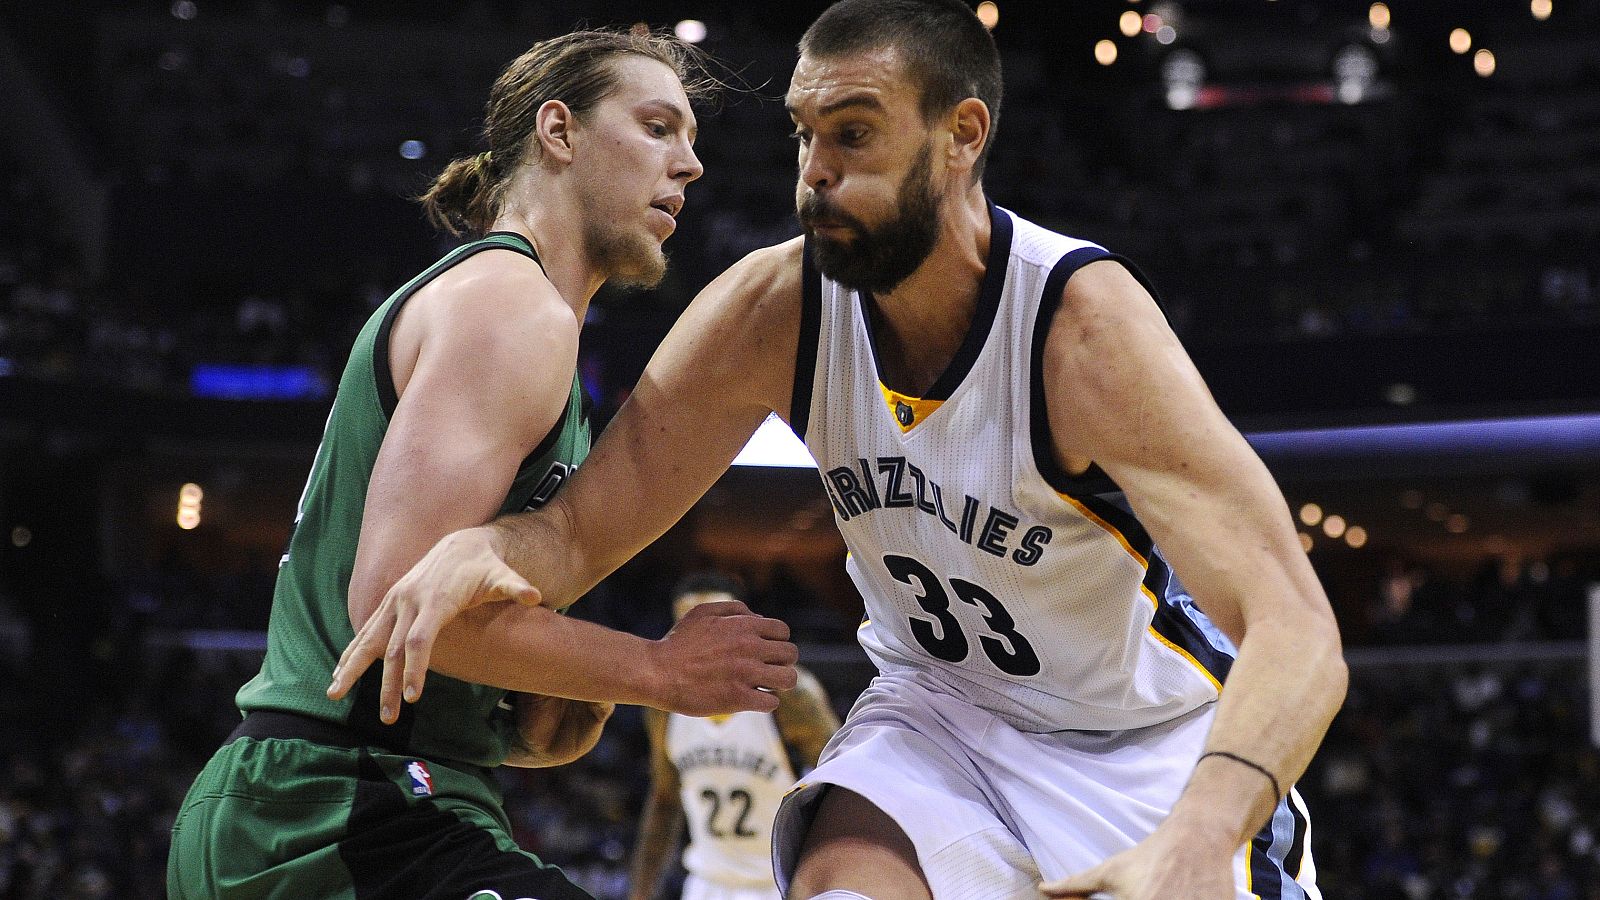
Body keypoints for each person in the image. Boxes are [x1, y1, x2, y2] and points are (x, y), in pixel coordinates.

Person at [329, 1, 1349, 897]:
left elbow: (1296, 632)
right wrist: (494, 550)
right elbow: (579, 530)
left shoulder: (1080, 331)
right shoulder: (771, 313)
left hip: (1140, 743)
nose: (814, 174)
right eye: (803, 137)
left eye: (853, 136)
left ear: (961, 137)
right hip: (936, 717)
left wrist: (1202, 833)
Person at [168, 28, 798, 899]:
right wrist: (657, 670)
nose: (689, 165)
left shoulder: (523, 323)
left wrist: (524, 723)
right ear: (559, 132)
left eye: (692, 141)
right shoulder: (511, 304)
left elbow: (436, 644)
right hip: (337, 805)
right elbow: (391, 604)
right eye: (659, 128)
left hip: (363, 798)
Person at [629, 573, 842, 900]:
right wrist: (641, 893)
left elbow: (841, 789)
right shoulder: (663, 707)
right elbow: (664, 799)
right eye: (690, 625)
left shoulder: (790, 694)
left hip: (780, 883)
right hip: (706, 885)